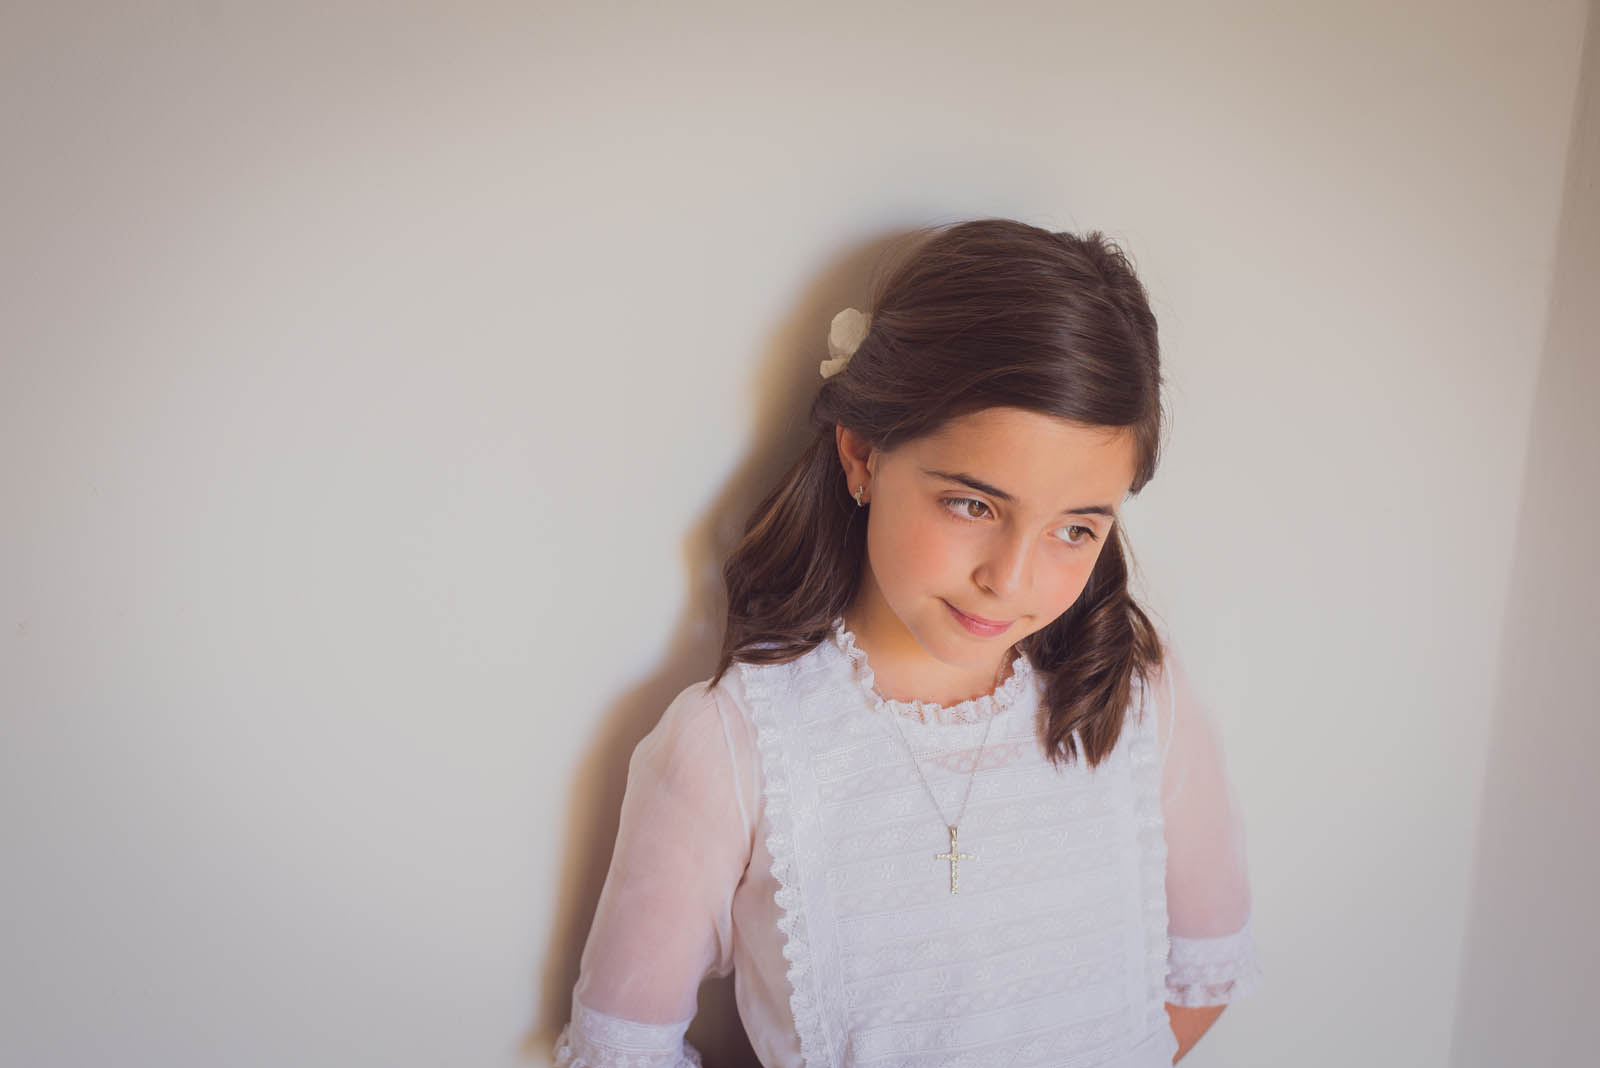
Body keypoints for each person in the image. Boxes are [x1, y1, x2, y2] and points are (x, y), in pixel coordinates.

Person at [552, 218, 1262, 1067]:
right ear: (862, 453)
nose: (1010, 579)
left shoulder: (1137, 695)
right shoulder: (735, 746)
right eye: (973, 505)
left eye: (1075, 529)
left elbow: (1201, 974)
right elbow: (622, 1049)